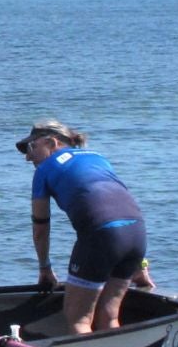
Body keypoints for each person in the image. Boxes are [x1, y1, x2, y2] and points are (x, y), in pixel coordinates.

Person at [19, 118, 154, 334]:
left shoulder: (44, 170)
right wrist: (140, 264)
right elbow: (120, 206)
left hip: (102, 236)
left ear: (52, 142)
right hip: (137, 233)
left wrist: (45, 268)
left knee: (79, 319)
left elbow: (41, 229)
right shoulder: (98, 158)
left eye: (31, 147)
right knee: (109, 316)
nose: (28, 157)